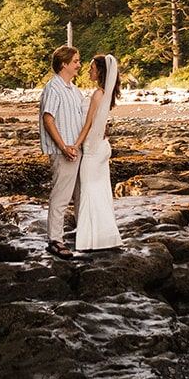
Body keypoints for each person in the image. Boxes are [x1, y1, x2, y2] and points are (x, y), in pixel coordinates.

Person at [38, 45, 85, 259]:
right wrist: (63, 146)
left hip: (77, 150)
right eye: (75, 61)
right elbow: (49, 119)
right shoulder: (53, 87)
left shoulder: (75, 91)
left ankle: (82, 236)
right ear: (64, 64)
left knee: (80, 195)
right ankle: (55, 241)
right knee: (61, 196)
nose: (79, 64)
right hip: (62, 150)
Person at [73, 52, 122, 251]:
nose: (88, 71)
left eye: (92, 68)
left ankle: (89, 240)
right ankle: (106, 236)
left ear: (100, 71)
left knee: (89, 192)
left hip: (93, 149)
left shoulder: (98, 94)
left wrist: (75, 146)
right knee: (101, 191)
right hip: (101, 147)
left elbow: (88, 124)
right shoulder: (105, 94)